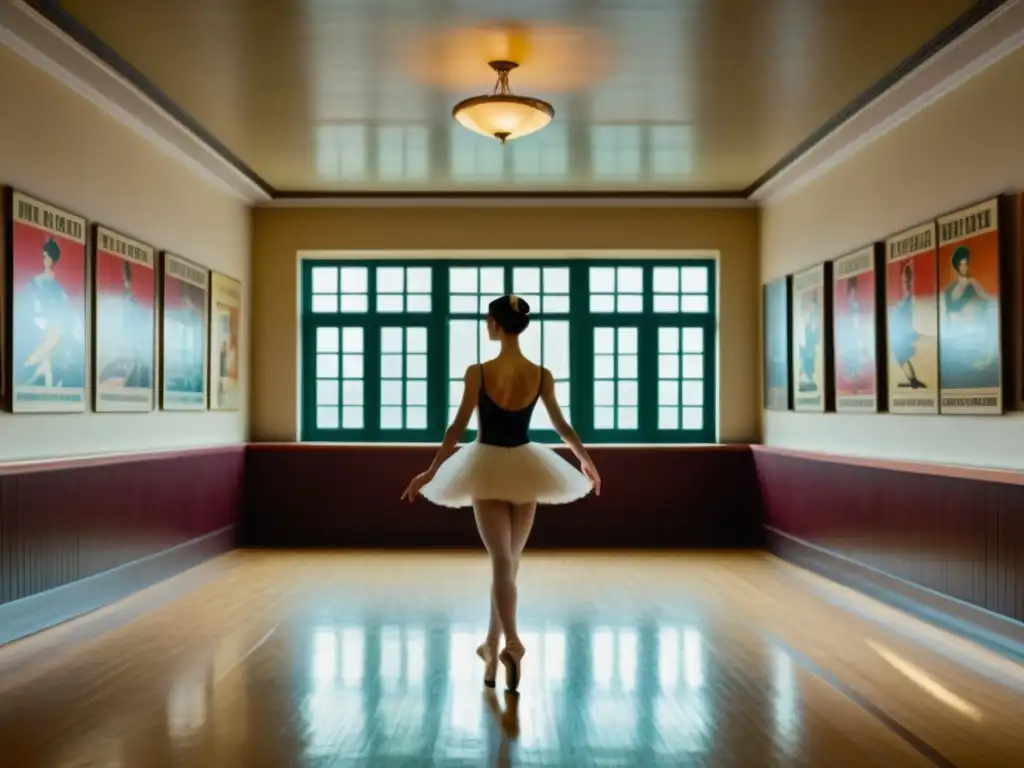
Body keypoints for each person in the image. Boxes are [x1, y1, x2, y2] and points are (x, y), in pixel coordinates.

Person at [401, 294, 600, 692]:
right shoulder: (540, 374)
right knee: (509, 563)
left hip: (487, 465)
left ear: (494, 324)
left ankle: (512, 642)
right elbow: (561, 425)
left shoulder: (478, 372)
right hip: (526, 467)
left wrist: (431, 470)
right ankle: (492, 648)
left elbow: (457, 427)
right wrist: (586, 460)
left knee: (500, 562)